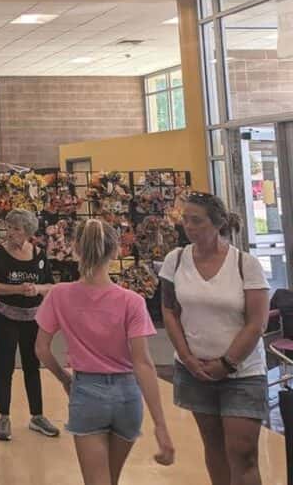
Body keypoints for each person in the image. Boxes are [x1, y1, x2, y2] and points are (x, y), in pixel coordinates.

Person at [35, 219, 174, 484]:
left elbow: (41, 349)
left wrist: (65, 380)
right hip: (127, 395)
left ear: (75, 249)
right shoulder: (132, 301)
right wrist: (161, 425)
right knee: (112, 478)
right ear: (116, 251)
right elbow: (143, 363)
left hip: (86, 392)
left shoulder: (59, 295)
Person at [160, 192, 270, 485]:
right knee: (214, 446)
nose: (189, 226)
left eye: (196, 220)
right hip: (194, 371)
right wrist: (186, 358)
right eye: (185, 220)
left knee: (243, 452)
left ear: (217, 223)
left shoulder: (245, 264)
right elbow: (169, 311)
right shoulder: (176, 259)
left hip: (242, 372)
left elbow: (256, 323)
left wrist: (227, 363)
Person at [0, 209, 58, 441]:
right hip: (3, 315)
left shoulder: (40, 255)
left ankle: (37, 415)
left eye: (16, 229)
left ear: (27, 232)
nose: (11, 233)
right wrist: (16, 289)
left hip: (32, 317)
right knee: (4, 365)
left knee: (32, 364)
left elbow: (50, 286)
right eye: (9, 227)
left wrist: (37, 289)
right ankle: (4, 416)